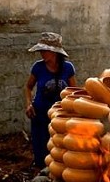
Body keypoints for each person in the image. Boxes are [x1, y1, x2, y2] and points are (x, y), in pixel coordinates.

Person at [23, 32, 76, 168]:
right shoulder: (38, 67)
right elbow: (28, 87)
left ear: (54, 52)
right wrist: (28, 104)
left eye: (45, 50)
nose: (42, 53)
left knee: (59, 149)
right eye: (41, 50)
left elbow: (74, 92)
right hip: (40, 115)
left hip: (60, 117)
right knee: (41, 149)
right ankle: (41, 176)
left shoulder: (68, 68)